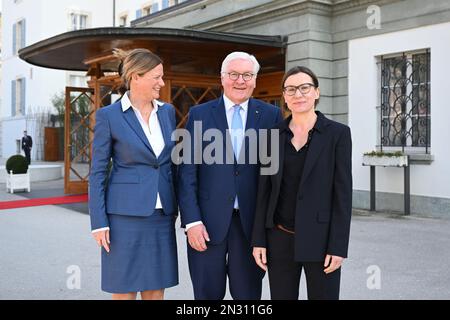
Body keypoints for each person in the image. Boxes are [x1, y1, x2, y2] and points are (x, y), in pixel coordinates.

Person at [178, 51, 283, 300]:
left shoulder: (271, 115)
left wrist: (269, 226)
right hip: (205, 224)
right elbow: (187, 173)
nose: (240, 81)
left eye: (247, 75)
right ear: (222, 78)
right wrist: (191, 221)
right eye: (234, 74)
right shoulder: (199, 114)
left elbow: (274, 176)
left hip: (251, 226)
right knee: (206, 296)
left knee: (247, 296)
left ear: (255, 80)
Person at [251, 66, 352, 300]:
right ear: (284, 96)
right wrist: (259, 240)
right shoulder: (271, 136)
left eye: (305, 88)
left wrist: (338, 246)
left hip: (321, 239)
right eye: (291, 89)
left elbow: (342, 194)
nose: (298, 94)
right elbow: (263, 193)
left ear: (316, 92)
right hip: (279, 239)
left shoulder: (337, 134)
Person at [89, 48, 178, 300]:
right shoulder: (109, 116)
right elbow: (97, 172)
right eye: (157, 77)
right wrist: (99, 221)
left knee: (155, 289)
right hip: (123, 218)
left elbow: (170, 164)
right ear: (136, 76)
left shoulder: (167, 112)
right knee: (124, 290)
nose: (162, 82)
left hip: (161, 216)